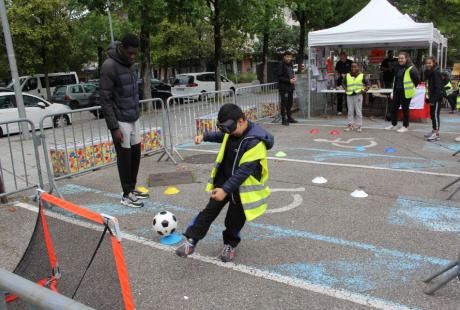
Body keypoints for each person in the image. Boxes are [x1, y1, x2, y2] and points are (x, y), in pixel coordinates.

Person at [175, 104, 274, 262]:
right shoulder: (231, 131)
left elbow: (243, 172)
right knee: (209, 212)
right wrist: (205, 136)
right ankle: (191, 241)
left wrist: (225, 190)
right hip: (223, 181)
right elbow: (221, 136)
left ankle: (230, 244)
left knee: (233, 221)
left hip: (242, 189)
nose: (228, 133)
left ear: (241, 121)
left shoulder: (255, 142)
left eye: (230, 128)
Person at [100, 33, 148, 208]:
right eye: (129, 53)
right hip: (120, 120)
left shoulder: (131, 65)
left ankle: (132, 189)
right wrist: (114, 127)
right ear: (121, 49)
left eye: (135, 53)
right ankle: (126, 194)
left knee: (135, 155)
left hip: (133, 117)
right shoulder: (109, 66)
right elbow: (105, 99)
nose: (132, 56)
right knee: (125, 157)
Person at [385, 52, 420, 133]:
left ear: (406, 58)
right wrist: (393, 91)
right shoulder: (397, 67)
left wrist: (411, 87)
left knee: (405, 109)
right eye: (399, 58)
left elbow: (417, 80)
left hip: (406, 92)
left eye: (402, 58)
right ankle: (394, 125)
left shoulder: (411, 68)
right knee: (394, 108)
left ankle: (405, 126)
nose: (400, 60)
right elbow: (396, 80)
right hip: (397, 91)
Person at [343, 62, 370, 132]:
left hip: (358, 95)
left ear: (358, 67)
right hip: (349, 95)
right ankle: (350, 125)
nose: (353, 68)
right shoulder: (347, 75)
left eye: (355, 67)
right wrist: (345, 89)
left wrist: (364, 91)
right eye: (352, 67)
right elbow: (343, 83)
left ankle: (359, 126)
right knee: (350, 111)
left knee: (358, 111)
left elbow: (368, 84)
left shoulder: (362, 75)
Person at [423, 57, 443, 141]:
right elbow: (429, 87)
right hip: (432, 98)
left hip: (436, 99)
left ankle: (436, 134)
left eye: (429, 63)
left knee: (435, 115)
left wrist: (433, 100)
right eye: (426, 63)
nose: (428, 65)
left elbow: (438, 88)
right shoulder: (430, 73)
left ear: (434, 63)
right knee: (432, 115)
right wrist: (428, 99)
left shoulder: (435, 73)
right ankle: (434, 130)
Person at [277, 51, 297, 125]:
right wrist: (289, 80)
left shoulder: (291, 65)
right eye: (287, 56)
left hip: (290, 87)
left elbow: (292, 74)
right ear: (284, 57)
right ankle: (283, 119)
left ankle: (289, 117)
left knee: (290, 103)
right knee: (284, 103)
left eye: (290, 57)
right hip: (284, 87)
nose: (289, 58)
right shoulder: (281, 64)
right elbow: (279, 77)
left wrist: (294, 79)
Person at [335, 51, 353, 116]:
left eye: (343, 55)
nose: (341, 57)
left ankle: (349, 110)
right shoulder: (338, 63)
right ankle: (339, 110)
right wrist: (338, 75)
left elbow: (353, 71)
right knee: (339, 96)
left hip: (348, 81)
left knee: (348, 96)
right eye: (340, 56)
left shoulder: (350, 62)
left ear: (346, 55)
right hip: (340, 81)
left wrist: (347, 75)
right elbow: (336, 71)